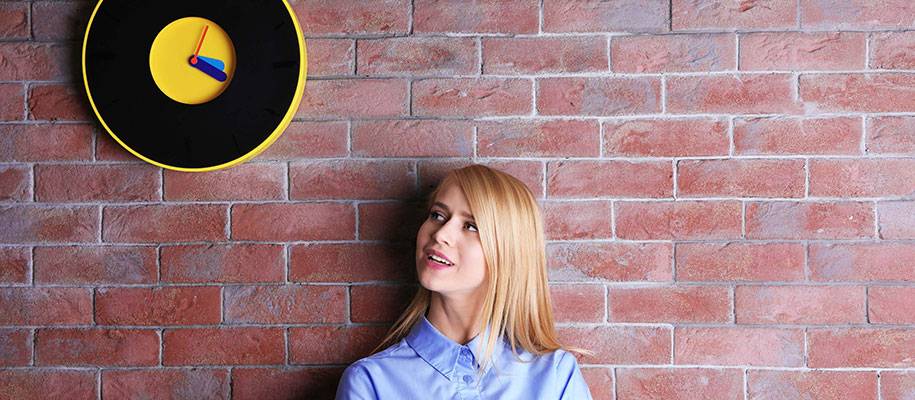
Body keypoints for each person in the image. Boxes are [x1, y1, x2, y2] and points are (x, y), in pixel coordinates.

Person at [335, 164, 594, 399]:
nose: (441, 234)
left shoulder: (555, 377)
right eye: (437, 215)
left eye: (470, 225)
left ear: (508, 252)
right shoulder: (370, 383)